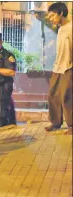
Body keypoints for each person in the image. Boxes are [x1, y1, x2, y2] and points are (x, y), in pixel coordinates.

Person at [45, 2, 72, 135]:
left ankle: (72, 125)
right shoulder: (61, 29)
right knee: (52, 94)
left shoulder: (71, 27)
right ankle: (55, 122)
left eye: (52, 16)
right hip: (58, 67)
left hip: (69, 67)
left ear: (61, 13)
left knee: (67, 96)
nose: (50, 19)